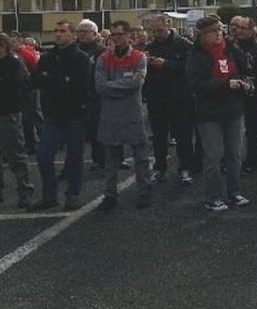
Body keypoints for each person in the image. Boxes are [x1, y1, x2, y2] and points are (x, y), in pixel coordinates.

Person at [186, 16, 250, 212]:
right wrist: (225, 84)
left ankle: (234, 192)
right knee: (213, 156)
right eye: (213, 31)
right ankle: (213, 196)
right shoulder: (196, 56)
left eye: (220, 30)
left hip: (233, 109)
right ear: (202, 35)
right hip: (209, 113)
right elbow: (195, 85)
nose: (218, 34)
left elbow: (244, 70)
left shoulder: (231, 49)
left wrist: (244, 83)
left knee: (235, 154)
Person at [29, 20, 91, 211]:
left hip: (74, 114)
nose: (58, 34)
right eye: (56, 31)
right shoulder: (49, 56)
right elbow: (36, 79)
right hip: (53, 114)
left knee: (74, 156)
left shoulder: (81, 58)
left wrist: (53, 81)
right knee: (43, 155)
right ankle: (50, 195)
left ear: (73, 34)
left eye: (62, 31)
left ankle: (72, 195)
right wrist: (60, 81)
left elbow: (80, 87)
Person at [95, 21, 153, 211]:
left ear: (129, 35)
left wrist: (112, 87)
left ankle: (144, 192)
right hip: (110, 115)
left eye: (120, 34)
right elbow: (99, 86)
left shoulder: (139, 57)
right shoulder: (103, 58)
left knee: (141, 156)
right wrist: (121, 87)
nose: (116, 38)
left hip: (132, 113)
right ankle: (110, 194)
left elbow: (137, 83)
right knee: (110, 159)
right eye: (113, 35)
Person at [145, 14, 194, 185]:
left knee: (183, 136)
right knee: (158, 137)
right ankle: (159, 168)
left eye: (160, 30)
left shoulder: (184, 44)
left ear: (169, 25)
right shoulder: (149, 46)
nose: (157, 34)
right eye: (154, 30)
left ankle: (186, 168)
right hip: (156, 98)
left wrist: (166, 64)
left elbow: (190, 67)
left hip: (179, 98)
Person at [0, 33, 34, 208]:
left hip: (8, 113)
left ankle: (25, 191)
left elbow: (21, 88)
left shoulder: (14, 64)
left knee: (16, 155)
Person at [236, 17, 257, 173]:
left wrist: (252, 90)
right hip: (234, 95)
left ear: (252, 31)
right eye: (237, 28)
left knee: (252, 130)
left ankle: (252, 160)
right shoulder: (233, 47)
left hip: (252, 96)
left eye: (243, 28)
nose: (239, 31)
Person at [76, 19, 107, 171]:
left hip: (96, 97)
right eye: (79, 31)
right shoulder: (75, 50)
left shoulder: (102, 51)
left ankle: (100, 160)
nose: (81, 34)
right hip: (77, 97)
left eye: (85, 31)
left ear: (95, 34)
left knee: (97, 131)